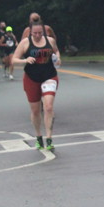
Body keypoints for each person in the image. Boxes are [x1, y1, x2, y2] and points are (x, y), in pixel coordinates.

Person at [13, 20, 60, 151]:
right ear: (30, 32)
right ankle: (39, 136)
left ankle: (49, 138)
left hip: (49, 76)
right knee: (35, 110)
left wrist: (58, 59)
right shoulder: (25, 43)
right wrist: (25, 60)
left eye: (40, 33)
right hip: (31, 78)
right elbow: (14, 60)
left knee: (48, 107)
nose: (38, 35)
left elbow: (56, 51)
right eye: (35, 33)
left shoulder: (50, 41)